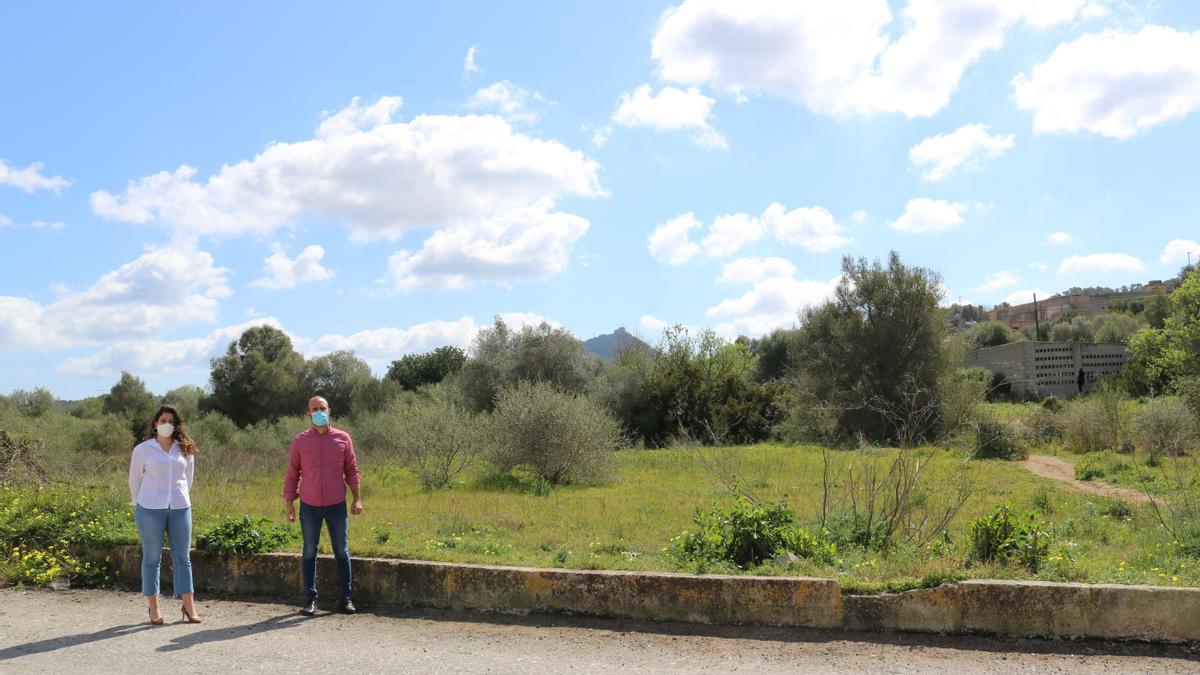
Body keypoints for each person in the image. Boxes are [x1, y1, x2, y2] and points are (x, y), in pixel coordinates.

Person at [283, 395, 363, 615]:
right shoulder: (300, 441)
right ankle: (310, 599)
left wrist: (357, 498)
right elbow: (292, 474)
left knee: (341, 551)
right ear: (308, 413)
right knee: (309, 551)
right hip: (309, 505)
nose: (319, 412)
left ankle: (346, 599)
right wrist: (289, 504)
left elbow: (352, 470)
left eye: (323, 408)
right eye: (314, 409)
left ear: (329, 411)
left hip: (337, 504)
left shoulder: (343, 438)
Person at [129, 404, 201, 625]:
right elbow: (135, 480)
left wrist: (179, 498)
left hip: (180, 508)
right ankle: (154, 607)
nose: (166, 425)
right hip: (150, 509)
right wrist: (139, 504)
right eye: (163, 421)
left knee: (183, 557)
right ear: (155, 424)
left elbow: (188, 479)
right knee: (152, 558)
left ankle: (189, 606)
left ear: (176, 424)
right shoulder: (143, 449)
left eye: (171, 421)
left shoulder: (185, 449)